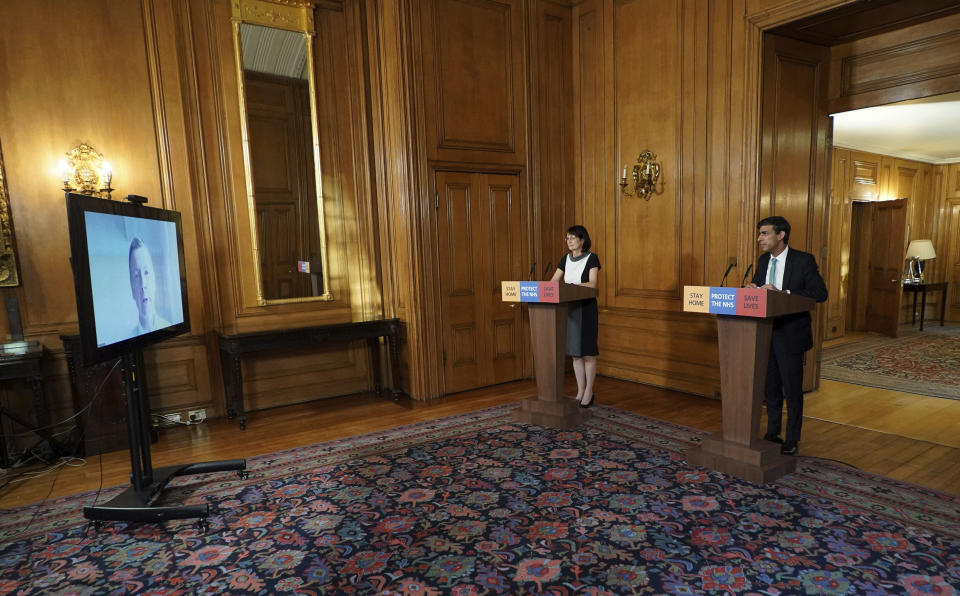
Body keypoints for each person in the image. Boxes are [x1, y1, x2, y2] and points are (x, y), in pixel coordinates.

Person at [746, 216, 828, 456]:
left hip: (790, 333)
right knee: (770, 387)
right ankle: (772, 432)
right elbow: (760, 289)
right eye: (759, 234)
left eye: (764, 233)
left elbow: (819, 294)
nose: (759, 238)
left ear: (780, 235)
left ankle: (792, 439)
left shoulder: (803, 261)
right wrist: (752, 289)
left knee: (792, 389)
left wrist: (784, 293)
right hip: (764, 333)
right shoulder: (763, 261)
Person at [550, 225, 601, 408]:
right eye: (567, 238)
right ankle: (580, 390)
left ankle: (589, 390)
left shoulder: (591, 258)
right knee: (575, 354)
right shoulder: (565, 259)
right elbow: (554, 282)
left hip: (586, 308)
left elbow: (593, 283)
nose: (569, 241)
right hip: (570, 308)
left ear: (582, 240)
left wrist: (571, 286)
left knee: (587, 353)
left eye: (572, 238)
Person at [129, 237, 171, 336]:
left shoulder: (169, 327)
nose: (143, 284)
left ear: (154, 280)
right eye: (136, 275)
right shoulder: (127, 338)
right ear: (132, 289)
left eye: (146, 272)